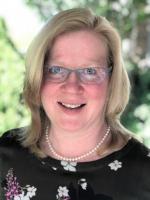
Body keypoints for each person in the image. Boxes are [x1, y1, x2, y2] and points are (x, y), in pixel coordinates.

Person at [0, 7, 150, 200]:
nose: (72, 87)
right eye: (56, 69)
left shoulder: (145, 174)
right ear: (37, 77)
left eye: (90, 71)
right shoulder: (5, 157)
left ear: (112, 81)